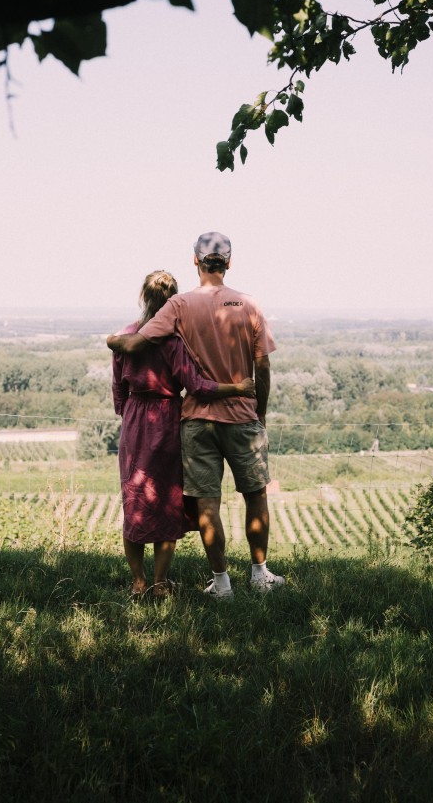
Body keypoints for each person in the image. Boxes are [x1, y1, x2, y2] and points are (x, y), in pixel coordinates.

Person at [108, 232, 285, 598]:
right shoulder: (248, 305)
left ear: (195, 261)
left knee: (206, 503)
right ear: (230, 262)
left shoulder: (180, 306)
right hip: (241, 416)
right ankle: (259, 574)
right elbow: (262, 366)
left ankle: (221, 584)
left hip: (197, 419)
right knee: (256, 496)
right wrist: (259, 413)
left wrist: (113, 341)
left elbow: (138, 342)